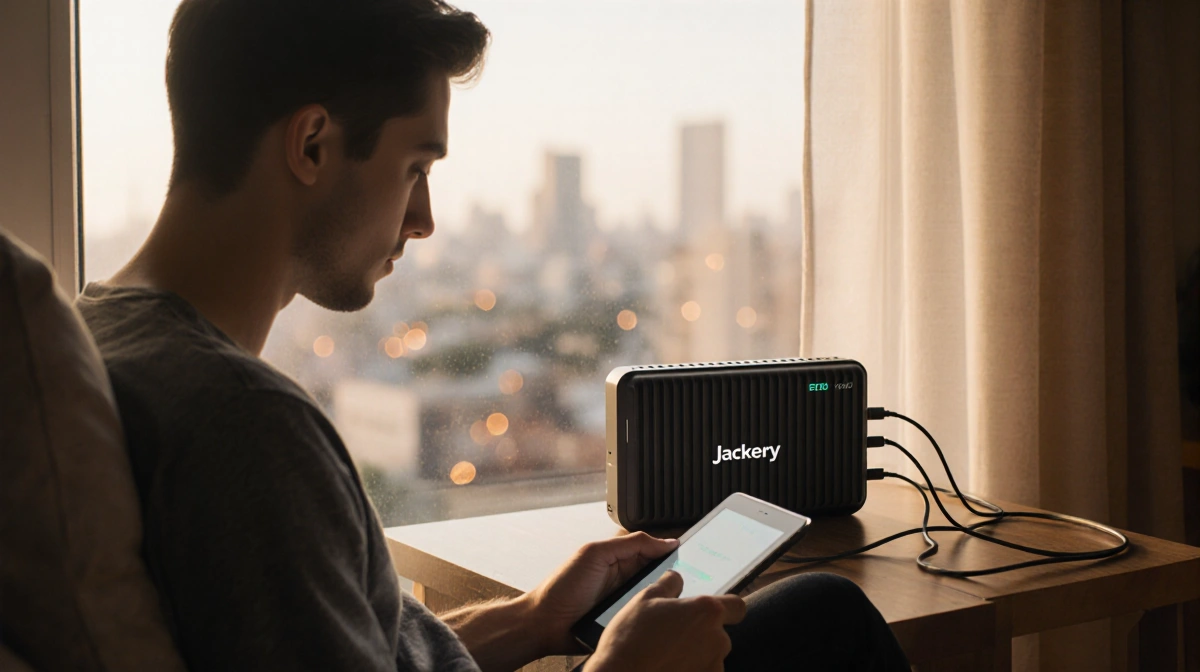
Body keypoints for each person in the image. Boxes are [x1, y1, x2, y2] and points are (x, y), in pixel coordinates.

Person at [77, 0, 910, 670]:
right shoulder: (243, 427)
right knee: (824, 619)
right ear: (313, 143)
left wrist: (534, 618)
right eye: (415, 167)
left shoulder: (98, 342)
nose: (425, 219)